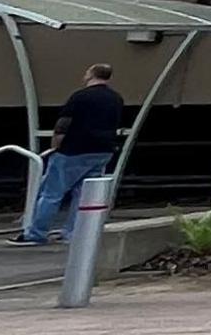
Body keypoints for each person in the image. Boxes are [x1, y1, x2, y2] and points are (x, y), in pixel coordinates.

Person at [18, 64, 129, 245]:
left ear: (91, 74)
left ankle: (35, 233)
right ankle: (73, 232)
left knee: (51, 193)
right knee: (83, 194)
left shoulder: (80, 97)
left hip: (74, 149)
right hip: (103, 150)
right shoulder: (116, 98)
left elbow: (63, 123)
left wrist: (56, 145)